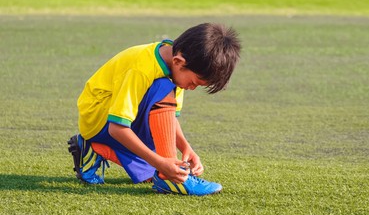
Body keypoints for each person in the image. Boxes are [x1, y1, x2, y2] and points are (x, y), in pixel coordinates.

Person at [67, 23, 241, 196]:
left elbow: (168, 119)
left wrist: (186, 147)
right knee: (162, 89)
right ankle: (169, 180)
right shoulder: (144, 70)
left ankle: (93, 148)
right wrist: (162, 163)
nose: (192, 88)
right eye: (194, 83)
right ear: (179, 62)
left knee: (153, 170)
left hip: (115, 122)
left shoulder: (175, 65)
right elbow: (117, 128)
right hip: (99, 119)